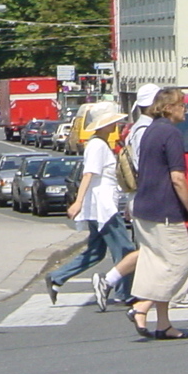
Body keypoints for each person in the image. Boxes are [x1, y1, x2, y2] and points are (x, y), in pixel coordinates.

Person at [127, 87, 188, 339]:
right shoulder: (171, 133)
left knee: (155, 264)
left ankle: (163, 324)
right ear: (169, 107)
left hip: (143, 207)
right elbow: (177, 178)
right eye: (182, 105)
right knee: (181, 263)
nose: (185, 110)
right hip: (164, 210)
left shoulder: (149, 130)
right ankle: (141, 306)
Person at [47, 103, 133, 302]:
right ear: (103, 125)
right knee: (125, 249)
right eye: (112, 122)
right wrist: (78, 202)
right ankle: (124, 293)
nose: (116, 125)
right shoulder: (98, 146)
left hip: (99, 204)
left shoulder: (99, 144)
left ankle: (57, 277)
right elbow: (88, 175)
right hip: (103, 206)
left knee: (96, 251)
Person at [93, 84, 160, 308]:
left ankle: (144, 292)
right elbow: (144, 168)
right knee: (152, 249)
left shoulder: (138, 129)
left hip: (138, 197)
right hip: (145, 197)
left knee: (151, 249)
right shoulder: (143, 131)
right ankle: (112, 282)